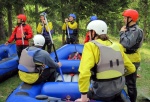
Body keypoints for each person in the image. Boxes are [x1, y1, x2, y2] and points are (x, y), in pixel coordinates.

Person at [75, 20, 136, 102]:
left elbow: (84, 72)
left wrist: (83, 97)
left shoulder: (90, 46)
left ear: (93, 32)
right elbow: (131, 68)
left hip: (100, 92)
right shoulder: (118, 46)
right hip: (118, 89)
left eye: (89, 32)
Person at [119, 9, 144, 102]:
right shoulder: (127, 29)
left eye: (126, 17)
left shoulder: (136, 31)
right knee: (121, 80)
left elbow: (127, 44)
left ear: (131, 19)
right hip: (125, 58)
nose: (124, 19)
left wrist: (121, 33)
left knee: (131, 84)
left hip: (132, 59)